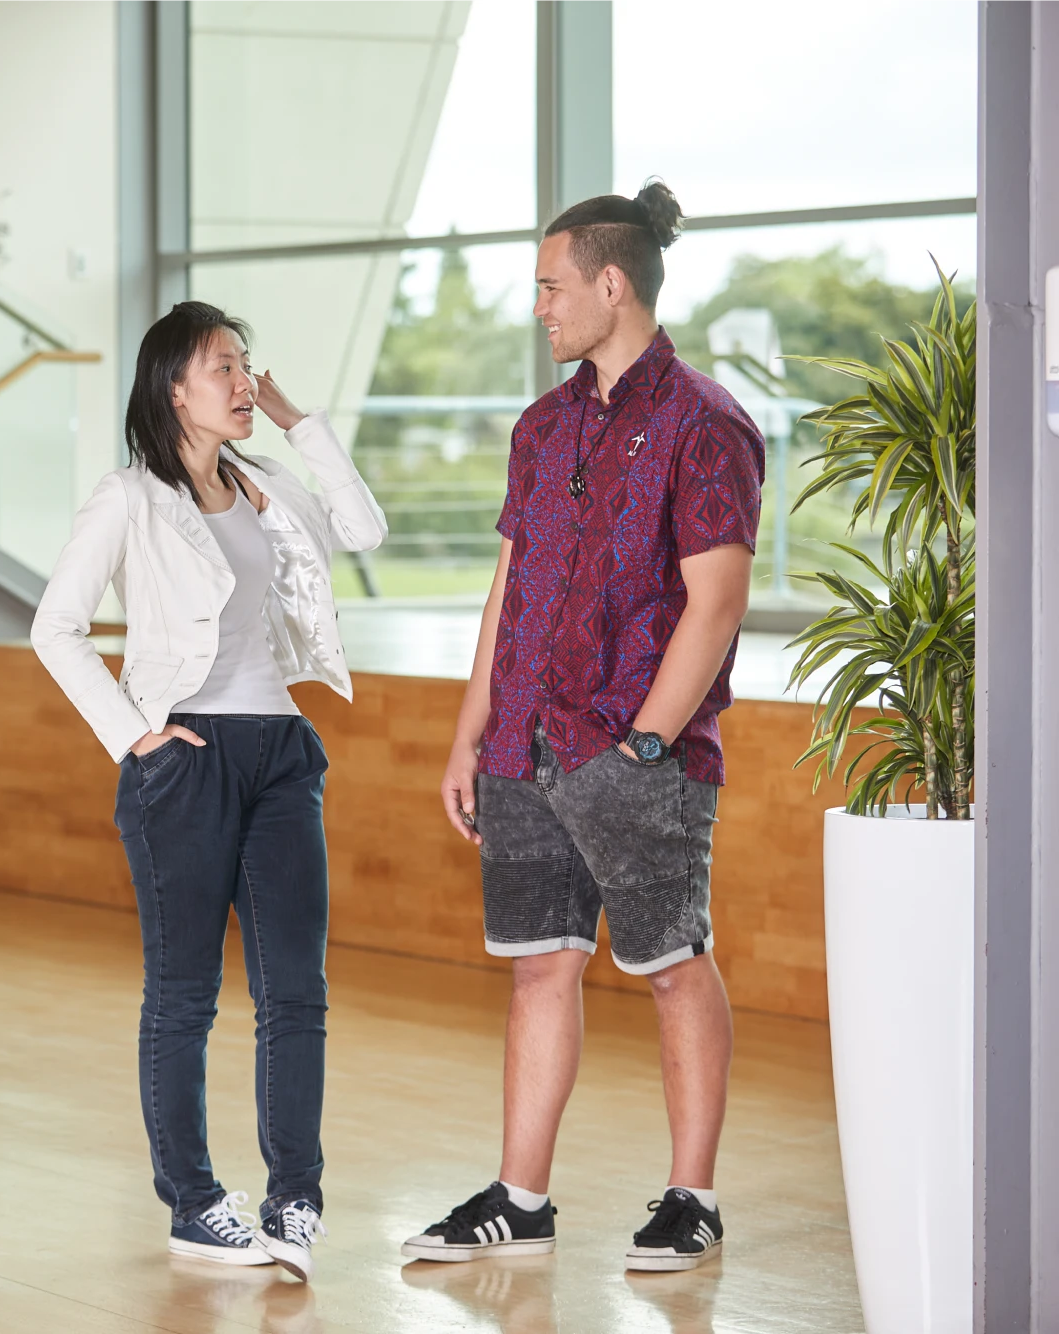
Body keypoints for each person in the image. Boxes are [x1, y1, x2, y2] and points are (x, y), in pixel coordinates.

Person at [403, 182, 763, 1273]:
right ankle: (519, 1196)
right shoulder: (540, 423)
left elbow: (717, 602)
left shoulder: (705, 424)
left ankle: (689, 1196)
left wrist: (646, 742)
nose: (537, 307)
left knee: (670, 963)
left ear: (612, 284)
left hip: (634, 752)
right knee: (536, 964)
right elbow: (507, 585)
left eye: (550, 286)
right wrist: (469, 731)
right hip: (521, 743)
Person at [31, 301, 388, 1281]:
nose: (240, 380)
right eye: (221, 367)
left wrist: (298, 423)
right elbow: (53, 626)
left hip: (278, 749)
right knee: (184, 994)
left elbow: (362, 526)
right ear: (170, 388)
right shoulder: (127, 497)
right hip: (180, 759)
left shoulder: (268, 482)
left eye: (244, 364)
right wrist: (135, 735)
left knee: (295, 991)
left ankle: (293, 1199)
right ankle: (192, 1202)